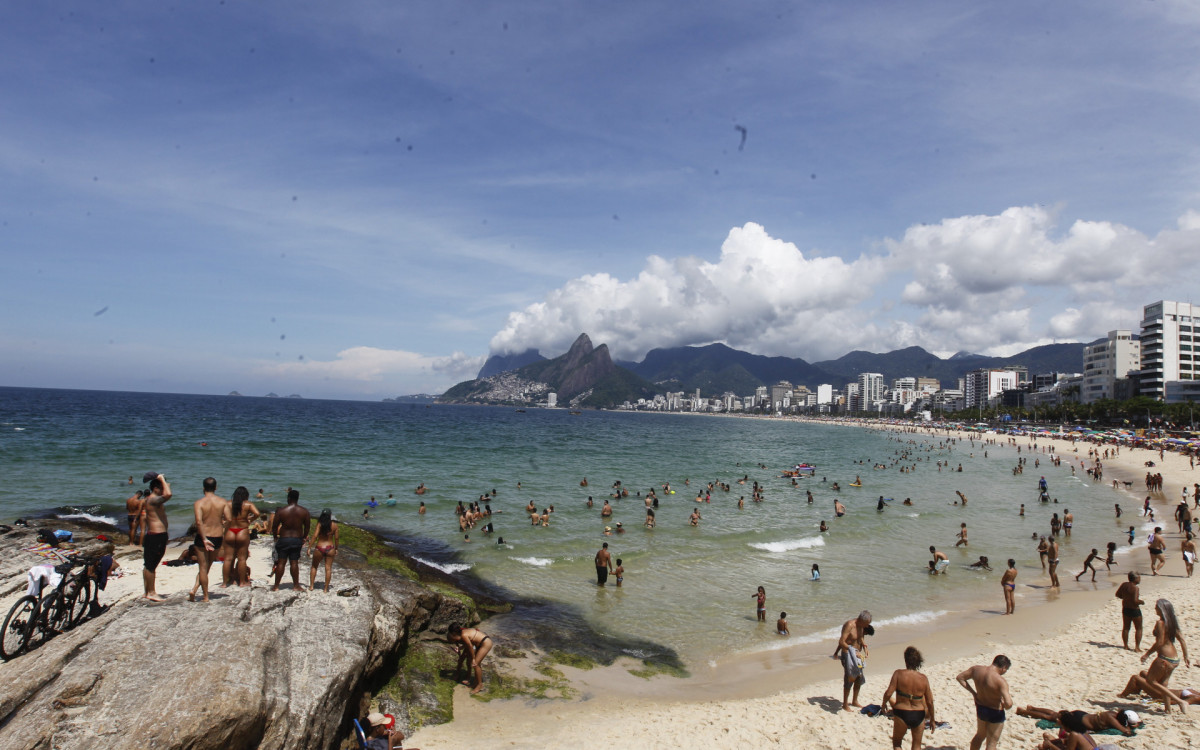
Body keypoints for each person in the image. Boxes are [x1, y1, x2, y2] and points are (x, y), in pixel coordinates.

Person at [1119, 598, 1191, 712]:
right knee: (1163, 684)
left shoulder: (1160, 623)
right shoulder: (1172, 622)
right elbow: (1182, 639)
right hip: (1175, 659)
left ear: (1161, 609)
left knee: (1151, 681)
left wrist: (1147, 654)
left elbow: (1159, 643)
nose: (1155, 609)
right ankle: (1168, 709)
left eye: (1156, 607)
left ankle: (1180, 701)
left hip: (1164, 658)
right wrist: (1186, 656)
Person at [881, 646, 935, 750]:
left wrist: (883, 704)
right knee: (916, 745)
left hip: (902, 712)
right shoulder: (923, 678)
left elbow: (888, 693)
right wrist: (932, 719)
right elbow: (930, 702)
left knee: (897, 743)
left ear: (906, 660)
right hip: (918, 713)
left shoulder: (898, 673)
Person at [957, 655, 1013, 750]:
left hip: (981, 708)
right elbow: (1009, 704)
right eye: (1006, 670)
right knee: (992, 743)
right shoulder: (1000, 681)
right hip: (995, 711)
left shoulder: (976, 669)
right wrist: (1004, 704)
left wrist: (974, 693)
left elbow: (960, 677)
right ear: (1004, 667)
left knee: (979, 736)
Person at [188, 477, 226, 602]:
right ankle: (194, 589)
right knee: (207, 566)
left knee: (203, 567)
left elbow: (199, 522)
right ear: (216, 487)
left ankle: (205, 596)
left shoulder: (199, 503)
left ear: (203, 488)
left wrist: (204, 538)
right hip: (217, 536)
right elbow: (229, 519)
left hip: (203, 536)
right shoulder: (222, 502)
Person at [271, 489, 311, 591]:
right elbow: (307, 527)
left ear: (288, 498)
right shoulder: (304, 511)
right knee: (294, 563)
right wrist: (304, 537)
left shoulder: (281, 511)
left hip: (284, 538)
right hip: (296, 539)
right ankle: (296, 585)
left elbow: (274, 526)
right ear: (298, 499)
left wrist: (275, 537)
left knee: (281, 562)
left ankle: (276, 586)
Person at [141, 472, 172, 602]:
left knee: (148, 565)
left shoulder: (152, 500)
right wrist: (161, 479)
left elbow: (166, 492)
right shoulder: (153, 499)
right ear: (155, 488)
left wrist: (163, 481)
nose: (164, 488)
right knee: (151, 565)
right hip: (157, 536)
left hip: (155, 535)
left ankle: (147, 591)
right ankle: (152, 592)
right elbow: (168, 494)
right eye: (161, 487)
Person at [1015, 706, 1138, 737]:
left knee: (1055, 714)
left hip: (1082, 714)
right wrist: (1132, 727)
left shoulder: (1113, 712)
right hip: (1080, 722)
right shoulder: (1112, 720)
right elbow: (1125, 731)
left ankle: (1033, 708)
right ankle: (1024, 712)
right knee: (1052, 718)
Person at [221, 486, 259, 587]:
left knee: (228, 558)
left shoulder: (228, 503)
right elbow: (257, 513)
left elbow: (221, 516)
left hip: (230, 530)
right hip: (242, 530)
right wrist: (250, 519)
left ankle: (225, 583)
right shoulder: (248, 504)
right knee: (242, 558)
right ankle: (242, 582)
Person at [838, 610, 871, 711]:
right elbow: (841, 641)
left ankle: (854, 700)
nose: (867, 626)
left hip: (857, 655)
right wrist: (852, 651)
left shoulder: (861, 626)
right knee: (850, 678)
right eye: (866, 624)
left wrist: (864, 646)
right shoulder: (849, 625)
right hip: (848, 654)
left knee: (859, 678)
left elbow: (860, 637)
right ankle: (844, 704)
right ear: (861, 620)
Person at [448, 623, 492, 695]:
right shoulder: (462, 633)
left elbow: (470, 646)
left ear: (454, 633)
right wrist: (459, 648)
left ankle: (480, 685)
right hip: (480, 644)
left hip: (485, 643)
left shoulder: (464, 635)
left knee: (476, 664)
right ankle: (476, 683)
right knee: (477, 664)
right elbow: (468, 643)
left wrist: (473, 658)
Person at [308, 508, 339, 592]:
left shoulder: (320, 524)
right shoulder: (335, 525)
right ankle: (325, 589)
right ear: (330, 515)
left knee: (314, 566)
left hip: (319, 548)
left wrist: (309, 547)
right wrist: (336, 548)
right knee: (328, 568)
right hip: (330, 548)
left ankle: (311, 586)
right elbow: (336, 538)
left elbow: (314, 536)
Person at [1115, 572, 1144, 650]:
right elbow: (1135, 601)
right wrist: (1141, 602)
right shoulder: (1135, 588)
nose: (1140, 579)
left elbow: (1117, 594)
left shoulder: (1124, 584)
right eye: (1139, 578)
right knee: (1139, 628)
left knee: (1126, 628)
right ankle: (1137, 647)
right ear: (1135, 578)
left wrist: (1125, 598)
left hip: (1125, 608)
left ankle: (1125, 645)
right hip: (1134, 609)